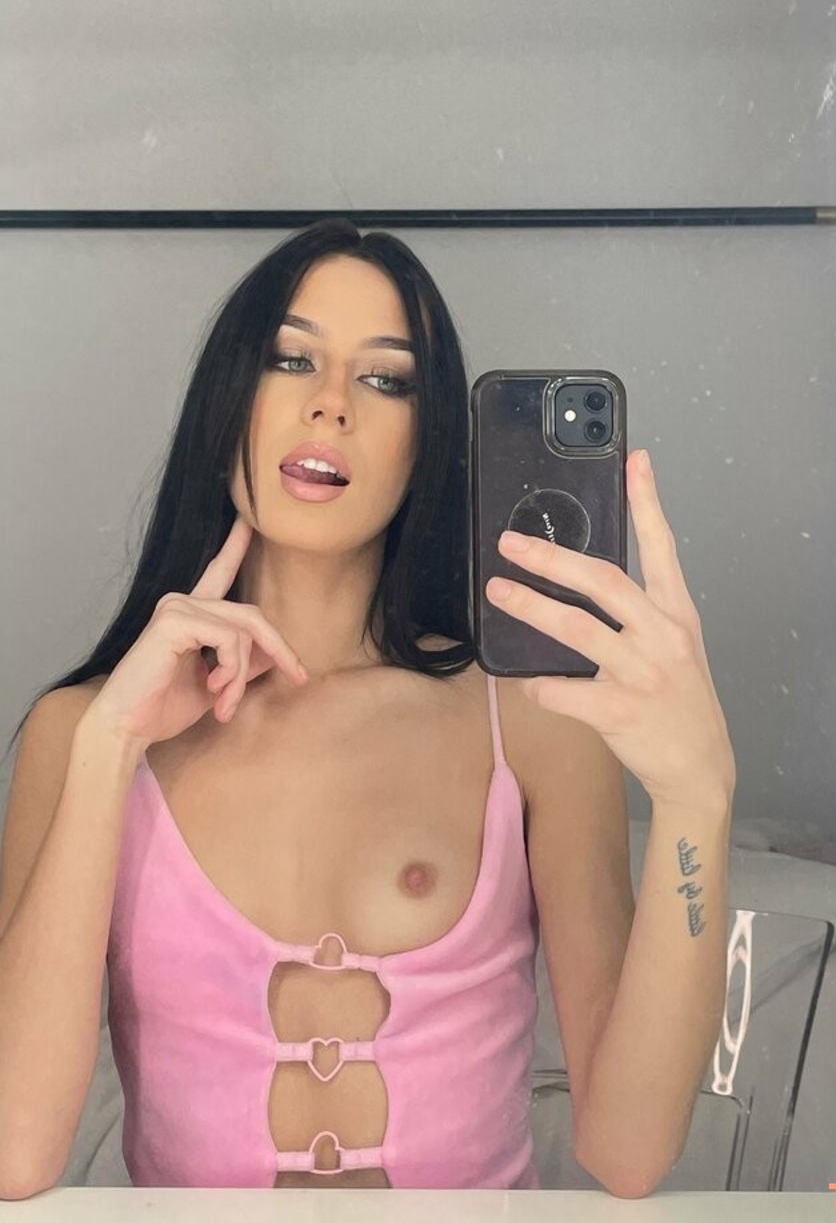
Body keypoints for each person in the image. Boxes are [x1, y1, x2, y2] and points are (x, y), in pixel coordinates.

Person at [0, 221, 736, 1199]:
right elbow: (11, 1152)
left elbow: (629, 1150)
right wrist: (110, 745)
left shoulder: (533, 722)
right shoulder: (84, 734)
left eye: (386, 379)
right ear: (227, 399)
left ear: (428, 445)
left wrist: (697, 798)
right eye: (291, 358)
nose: (331, 403)